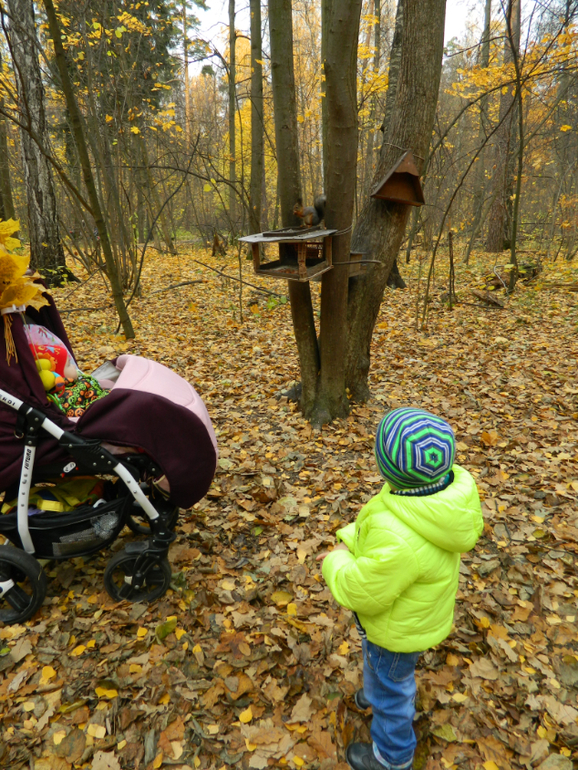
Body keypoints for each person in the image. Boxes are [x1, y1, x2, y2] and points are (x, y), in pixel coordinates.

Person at [317, 407, 483, 770]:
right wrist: (351, 538)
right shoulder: (432, 499)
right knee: (384, 672)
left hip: (395, 631)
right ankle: (378, 689)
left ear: (387, 468)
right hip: (412, 615)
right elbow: (379, 524)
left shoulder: (400, 537)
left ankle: (393, 757)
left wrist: (336, 561)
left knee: (392, 688)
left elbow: (360, 589)